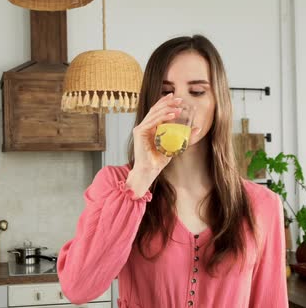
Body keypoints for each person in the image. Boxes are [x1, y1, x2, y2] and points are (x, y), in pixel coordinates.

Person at [57, 35, 288, 307]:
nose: (179, 105)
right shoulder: (117, 184)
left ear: (218, 102)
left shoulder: (262, 205)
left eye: (197, 91)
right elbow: (78, 288)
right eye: (166, 92)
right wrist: (142, 175)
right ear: (151, 103)